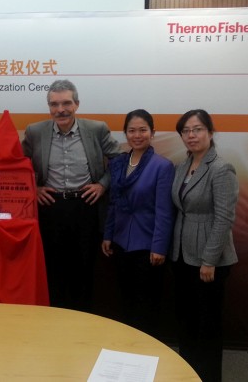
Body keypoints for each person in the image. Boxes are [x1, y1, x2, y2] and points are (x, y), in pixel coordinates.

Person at [22, 79, 122, 311]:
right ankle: (55, 321)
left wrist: (102, 185)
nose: (61, 110)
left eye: (66, 103)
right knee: (53, 270)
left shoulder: (97, 129)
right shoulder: (35, 132)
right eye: (54, 104)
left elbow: (119, 160)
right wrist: (33, 188)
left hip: (86, 207)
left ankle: (82, 319)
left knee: (84, 269)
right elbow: (17, 165)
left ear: (77, 104)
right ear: (49, 107)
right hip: (50, 208)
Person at [170, 109, 239, 382]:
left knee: (207, 325)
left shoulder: (221, 169)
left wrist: (209, 260)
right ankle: (188, 374)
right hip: (182, 255)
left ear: (210, 132)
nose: (191, 135)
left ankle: (208, 377)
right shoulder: (182, 166)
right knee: (186, 320)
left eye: (197, 129)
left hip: (208, 261)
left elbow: (224, 218)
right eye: (186, 131)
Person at [101, 109, 175, 336]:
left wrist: (159, 247)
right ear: (125, 133)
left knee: (146, 303)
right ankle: (128, 344)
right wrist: (108, 234)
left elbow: (164, 211)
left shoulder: (162, 166)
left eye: (143, 130)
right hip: (121, 241)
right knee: (125, 298)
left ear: (153, 132)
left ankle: (147, 346)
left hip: (148, 244)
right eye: (132, 130)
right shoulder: (118, 163)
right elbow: (113, 202)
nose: (137, 135)